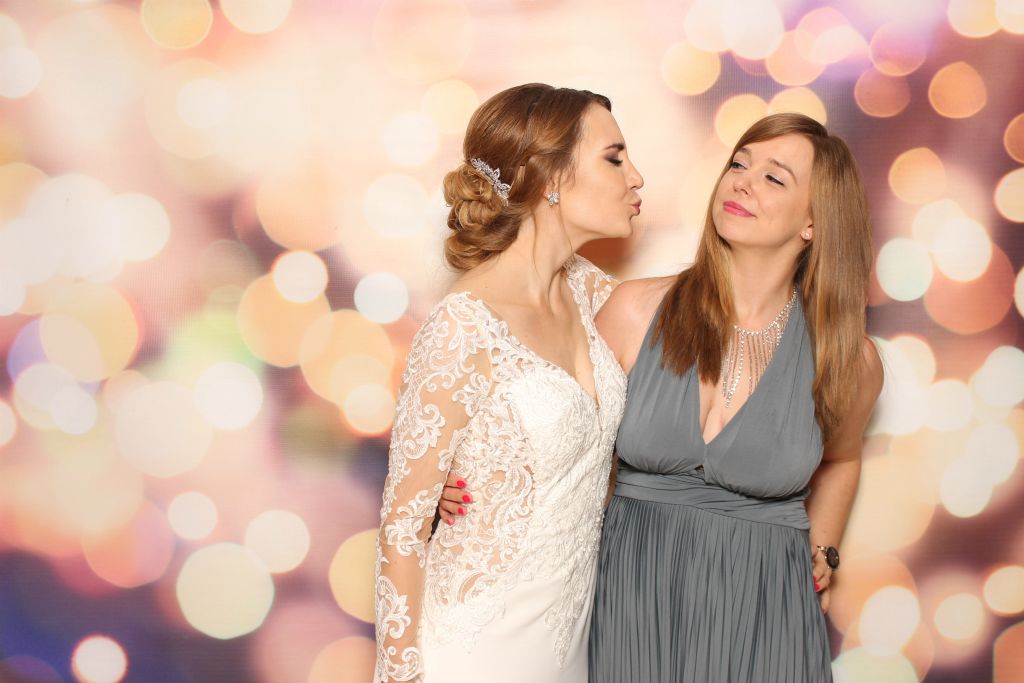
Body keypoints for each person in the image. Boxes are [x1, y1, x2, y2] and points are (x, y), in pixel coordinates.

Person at [441, 112, 882, 682]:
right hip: (633, 595)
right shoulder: (635, 311)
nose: (742, 183)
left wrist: (825, 549)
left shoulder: (847, 360)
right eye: (739, 165)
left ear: (814, 223)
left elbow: (843, 458)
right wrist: (463, 477)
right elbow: (558, 434)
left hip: (766, 612)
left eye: (774, 178)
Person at [374, 83, 644, 683]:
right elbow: (402, 530)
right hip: (473, 653)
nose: (636, 178)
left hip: (569, 651)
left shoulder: (594, 294)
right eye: (614, 158)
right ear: (549, 177)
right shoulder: (463, 326)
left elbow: (711, 312)